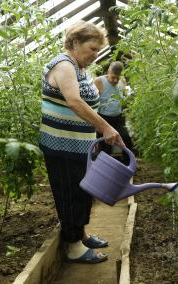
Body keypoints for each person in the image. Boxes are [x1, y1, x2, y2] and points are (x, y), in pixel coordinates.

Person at [39, 21, 125, 264]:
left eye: (98, 51)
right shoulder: (64, 65)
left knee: (83, 191)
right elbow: (75, 102)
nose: (95, 55)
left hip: (81, 144)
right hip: (62, 145)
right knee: (70, 193)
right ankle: (74, 246)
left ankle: (82, 235)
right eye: (92, 49)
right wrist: (105, 126)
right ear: (74, 43)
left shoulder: (79, 67)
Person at [94, 62, 135, 164]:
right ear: (108, 72)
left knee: (126, 140)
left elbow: (124, 97)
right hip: (103, 119)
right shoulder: (99, 81)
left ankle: (128, 166)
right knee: (105, 146)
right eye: (113, 77)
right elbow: (93, 104)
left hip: (118, 117)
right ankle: (104, 167)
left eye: (117, 77)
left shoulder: (123, 81)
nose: (115, 80)